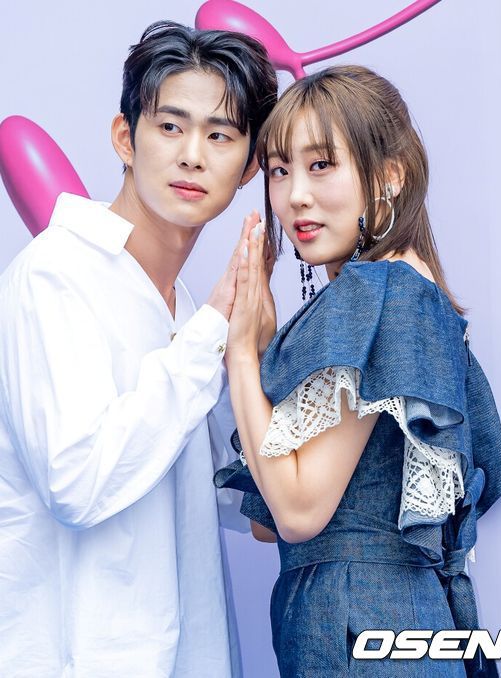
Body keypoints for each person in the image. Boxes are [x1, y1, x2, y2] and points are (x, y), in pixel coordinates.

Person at [214, 65, 501, 677]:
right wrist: (267, 353)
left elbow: (297, 514)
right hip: (396, 619)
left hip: (357, 624)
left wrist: (242, 355)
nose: (295, 195)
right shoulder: (411, 295)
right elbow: (269, 524)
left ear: (389, 176)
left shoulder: (377, 293)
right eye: (280, 170)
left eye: (322, 164)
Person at [0, 21, 277, 677]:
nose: (193, 156)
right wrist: (211, 333)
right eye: (171, 127)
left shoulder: (184, 308)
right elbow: (77, 483)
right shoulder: (56, 273)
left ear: (249, 167)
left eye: (221, 135)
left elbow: (235, 503)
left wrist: (248, 357)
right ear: (125, 138)